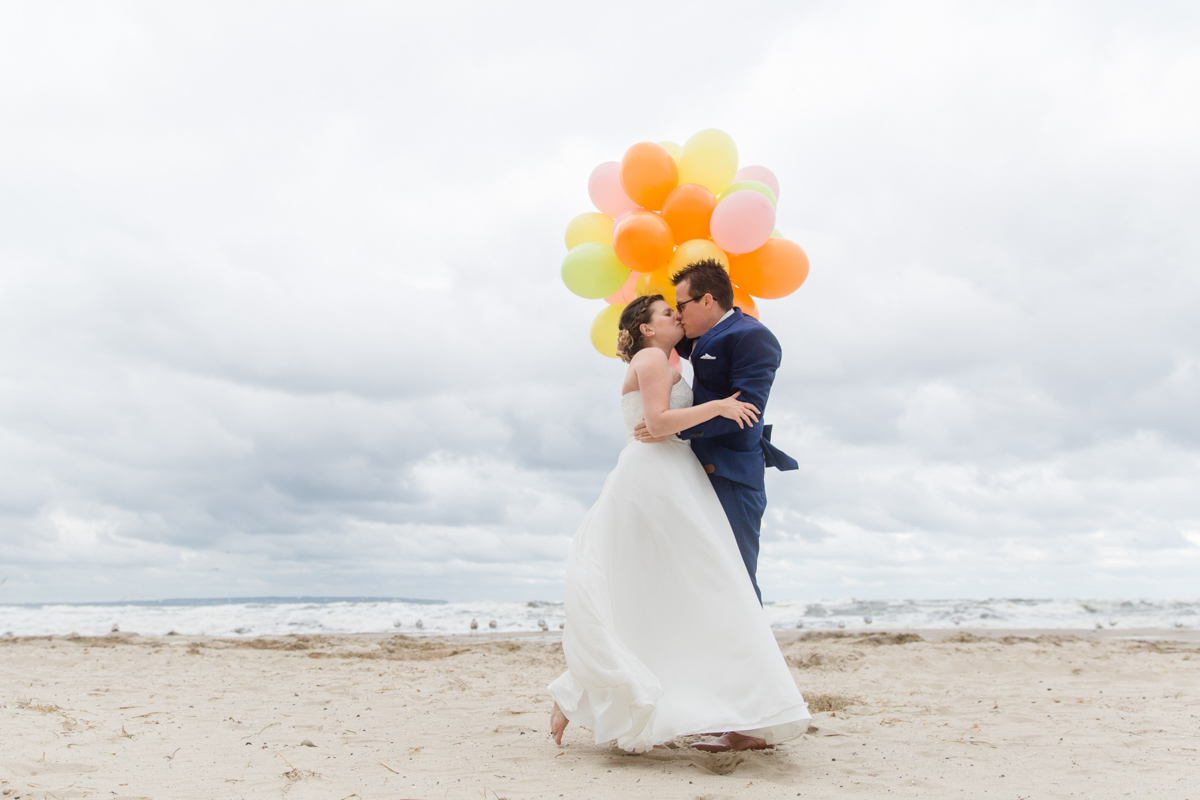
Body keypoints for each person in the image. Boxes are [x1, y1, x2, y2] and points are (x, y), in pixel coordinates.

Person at [548, 294, 810, 754]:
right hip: (651, 478)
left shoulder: (672, 360)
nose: (677, 315)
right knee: (687, 583)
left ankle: (580, 696)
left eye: (678, 308)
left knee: (663, 591)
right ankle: (575, 695)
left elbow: (667, 422)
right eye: (667, 313)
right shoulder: (650, 357)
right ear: (647, 329)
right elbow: (658, 421)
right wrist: (721, 408)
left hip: (675, 474)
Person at [635, 259, 798, 604]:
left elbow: (745, 413)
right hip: (692, 473)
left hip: (731, 473)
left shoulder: (751, 337)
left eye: (681, 306)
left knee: (736, 572)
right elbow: (658, 336)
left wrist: (673, 430)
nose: (678, 315)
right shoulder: (696, 334)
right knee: (700, 573)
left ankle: (754, 656)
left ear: (707, 301)